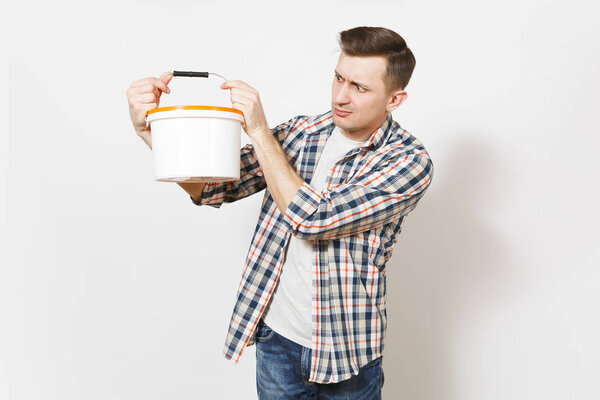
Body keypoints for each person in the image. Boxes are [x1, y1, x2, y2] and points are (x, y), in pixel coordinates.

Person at [126, 26, 434, 399]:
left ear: (394, 99)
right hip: (276, 341)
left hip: (346, 353)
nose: (341, 95)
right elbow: (212, 188)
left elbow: (312, 219)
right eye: (339, 77)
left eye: (360, 87)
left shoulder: (407, 161)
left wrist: (257, 129)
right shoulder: (303, 131)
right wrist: (151, 132)